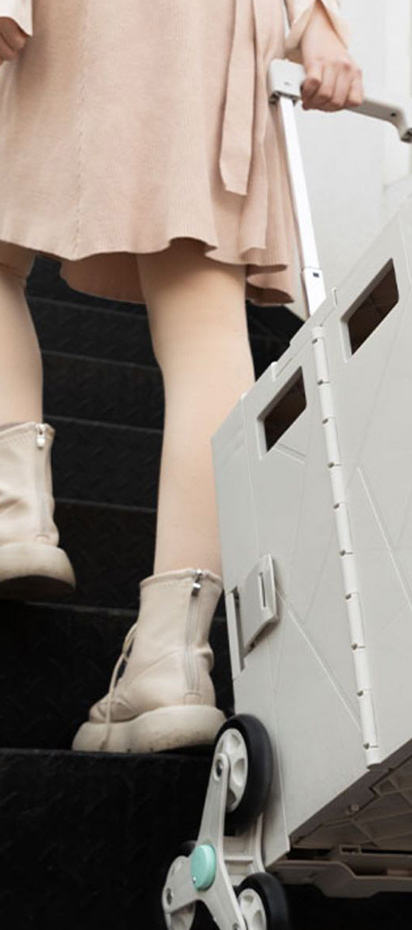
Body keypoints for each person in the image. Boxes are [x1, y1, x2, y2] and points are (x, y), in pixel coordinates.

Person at [0, 0, 363, 753]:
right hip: (211, 29)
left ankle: (13, 510)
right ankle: (173, 661)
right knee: (203, 325)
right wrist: (316, 22)